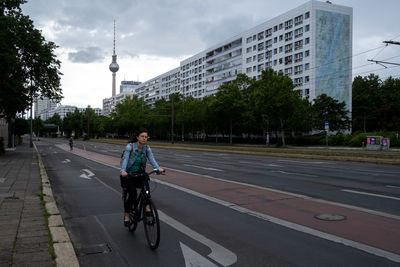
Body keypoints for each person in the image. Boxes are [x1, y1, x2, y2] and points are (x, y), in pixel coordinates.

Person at [120, 128, 164, 226]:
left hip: (139, 173)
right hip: (129, 174)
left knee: (146, 184)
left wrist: (157, 168)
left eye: (146, 137)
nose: (144, 138)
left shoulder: (147, 148)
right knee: (133, 195)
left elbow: (152, 159)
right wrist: (123, 171)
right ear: (137, 137)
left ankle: (147, 206)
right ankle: (127, 215)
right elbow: (125, 160)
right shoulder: (130, 147)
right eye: (142, 136)